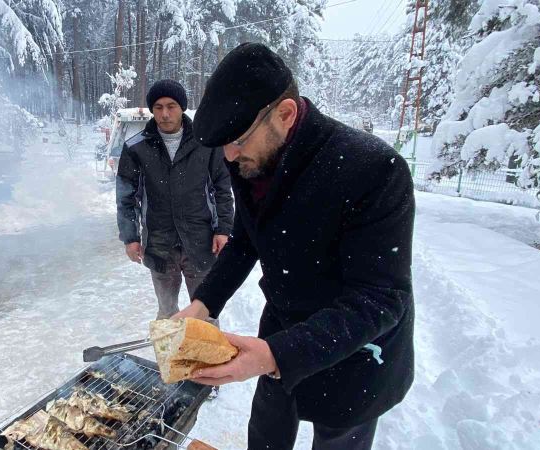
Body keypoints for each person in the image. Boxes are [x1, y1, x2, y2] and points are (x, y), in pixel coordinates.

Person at [174, 43, 415, 450]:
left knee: (339, 439)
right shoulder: (249, 159)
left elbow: (381, 299)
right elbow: (246, 239)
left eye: (237, 141)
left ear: (285, 114)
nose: (230, 157)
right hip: (282, 328)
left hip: (354, 353)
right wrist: (204, 303)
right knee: (267, 434)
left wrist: (275, 354)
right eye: (223, 147)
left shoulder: (373, 169)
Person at [116, 79, 234, 320]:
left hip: (200, 243)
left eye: (171, 106)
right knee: (168, 312)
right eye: (158, 107)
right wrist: (130, 238)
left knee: (206, 313)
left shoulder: (206, 144)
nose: (165, 113)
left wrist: (223, 229)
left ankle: (209, 357)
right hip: (160, 245)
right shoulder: (137, 148)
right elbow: (126, 198)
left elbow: (222, 187)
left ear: (182, 108)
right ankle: (170, 357)